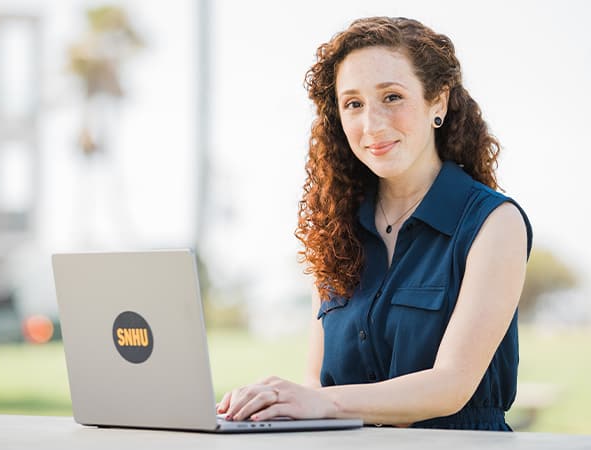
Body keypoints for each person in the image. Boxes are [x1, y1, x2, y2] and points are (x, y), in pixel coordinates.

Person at [216, 16, 533, 431]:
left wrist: (318, 401)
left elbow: (452, 385)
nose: (372, 124)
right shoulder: (336, 228)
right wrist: (272, 404)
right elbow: (317, 381)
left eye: (392, 97)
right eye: (354, 104)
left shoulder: (494, 223)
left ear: (437, 101)